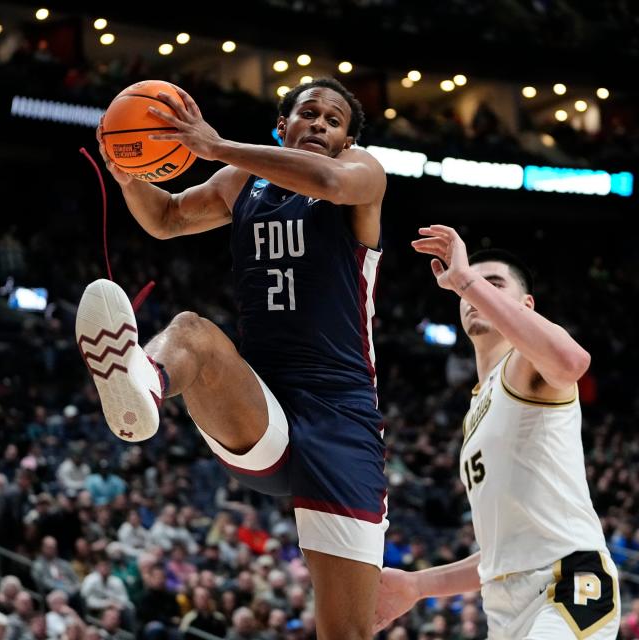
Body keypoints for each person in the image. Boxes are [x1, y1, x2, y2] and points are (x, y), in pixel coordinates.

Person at [80, 77, 387, 639]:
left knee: (347, 634)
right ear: (282, 125)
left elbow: (325, 180)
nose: (319, 123)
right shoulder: (241, 181)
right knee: (192, 332)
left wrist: (215, 145)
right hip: (260, 404)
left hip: (342, 421)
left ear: (346, 140)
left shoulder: (361, 172)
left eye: (334, 120)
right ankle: (143, 384)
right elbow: (168, 218)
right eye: (308, 112)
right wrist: (129, 176)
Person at [374, 227, 620, 639]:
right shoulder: (475, 410)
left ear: (526, 305)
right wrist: (418, 586)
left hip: (569, 585)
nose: (473, 291)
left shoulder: (525, 366)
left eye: (494, 284)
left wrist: (466, 280)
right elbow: (503, 554)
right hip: (505, 607)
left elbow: (572, 360)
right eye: (471, 284)